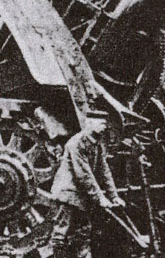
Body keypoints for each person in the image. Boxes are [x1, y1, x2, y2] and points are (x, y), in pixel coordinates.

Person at [49, 110, 125, 258]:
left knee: (83, 232)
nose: (105, 126)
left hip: (81, 196)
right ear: (89, 123)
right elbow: (84, 173)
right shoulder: (76, 143)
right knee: (61, 233)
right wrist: (100, 198)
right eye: (101, 123)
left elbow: (104, 171)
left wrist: (114, 196)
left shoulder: (97, 144)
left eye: (105, 123)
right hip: (68, 194)